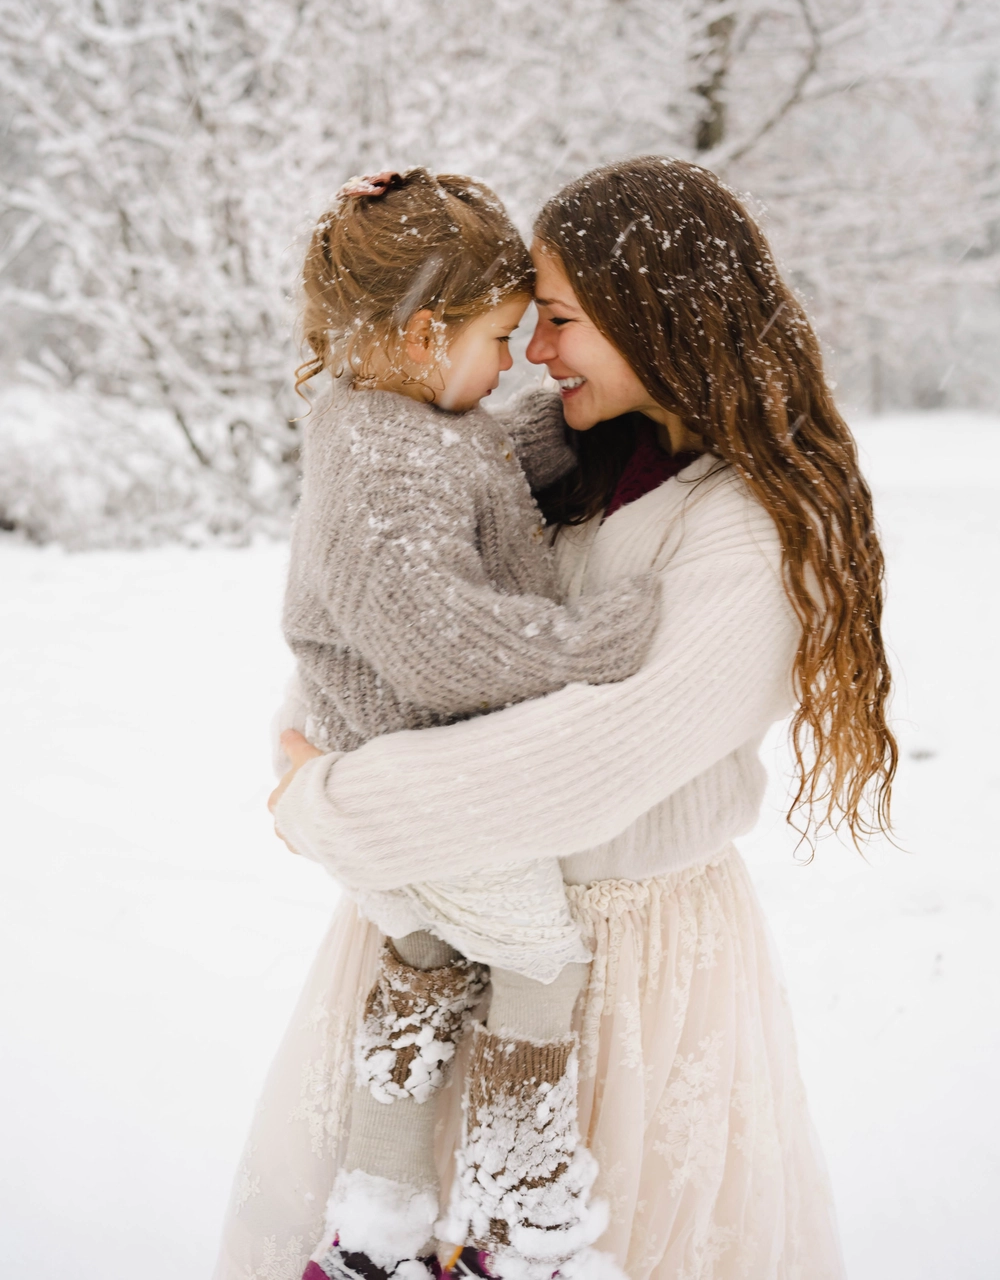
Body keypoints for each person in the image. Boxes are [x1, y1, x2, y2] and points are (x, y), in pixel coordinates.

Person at [216, 156, 895, 1280]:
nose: (531, 352)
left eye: (562, 320)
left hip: (622, 966)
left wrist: (330, 805)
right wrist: (329, 758)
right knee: (393, 1228)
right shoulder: (552, 450)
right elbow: (375, 616)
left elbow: (597, 759)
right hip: (442, 910)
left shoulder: (755, 529)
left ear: (657, 321)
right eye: (521, 321)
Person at [273, 166, 664, 1280]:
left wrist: (603, 425)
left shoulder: (404, 418)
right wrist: (599, 645)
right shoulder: (377, 451)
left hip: (395, 781)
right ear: (423, 332)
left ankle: (375, 1224)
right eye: (502, 338)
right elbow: (438, 642)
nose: (514, 364)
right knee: (538, 967)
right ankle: (521, 1222)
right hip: (423, 784)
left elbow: (491, 464)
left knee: (431, 968)